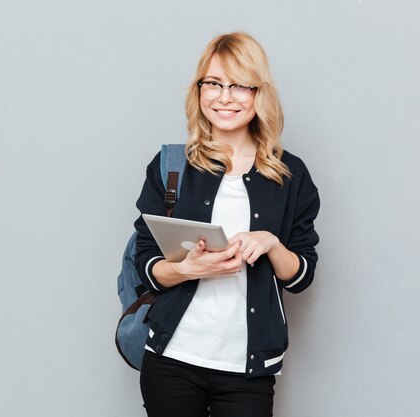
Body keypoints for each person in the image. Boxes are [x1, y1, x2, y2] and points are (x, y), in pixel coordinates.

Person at [133, 32, 320, 417]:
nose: (224, 97)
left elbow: (301, 277)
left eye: (239, 86)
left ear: (259, 93)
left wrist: (271, 242)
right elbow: (146, 264)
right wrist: (185, 269)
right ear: (199, 90)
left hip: (247, 370)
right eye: (214, 84)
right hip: (172, 359)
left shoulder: (290, 175)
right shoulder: (172, 166)